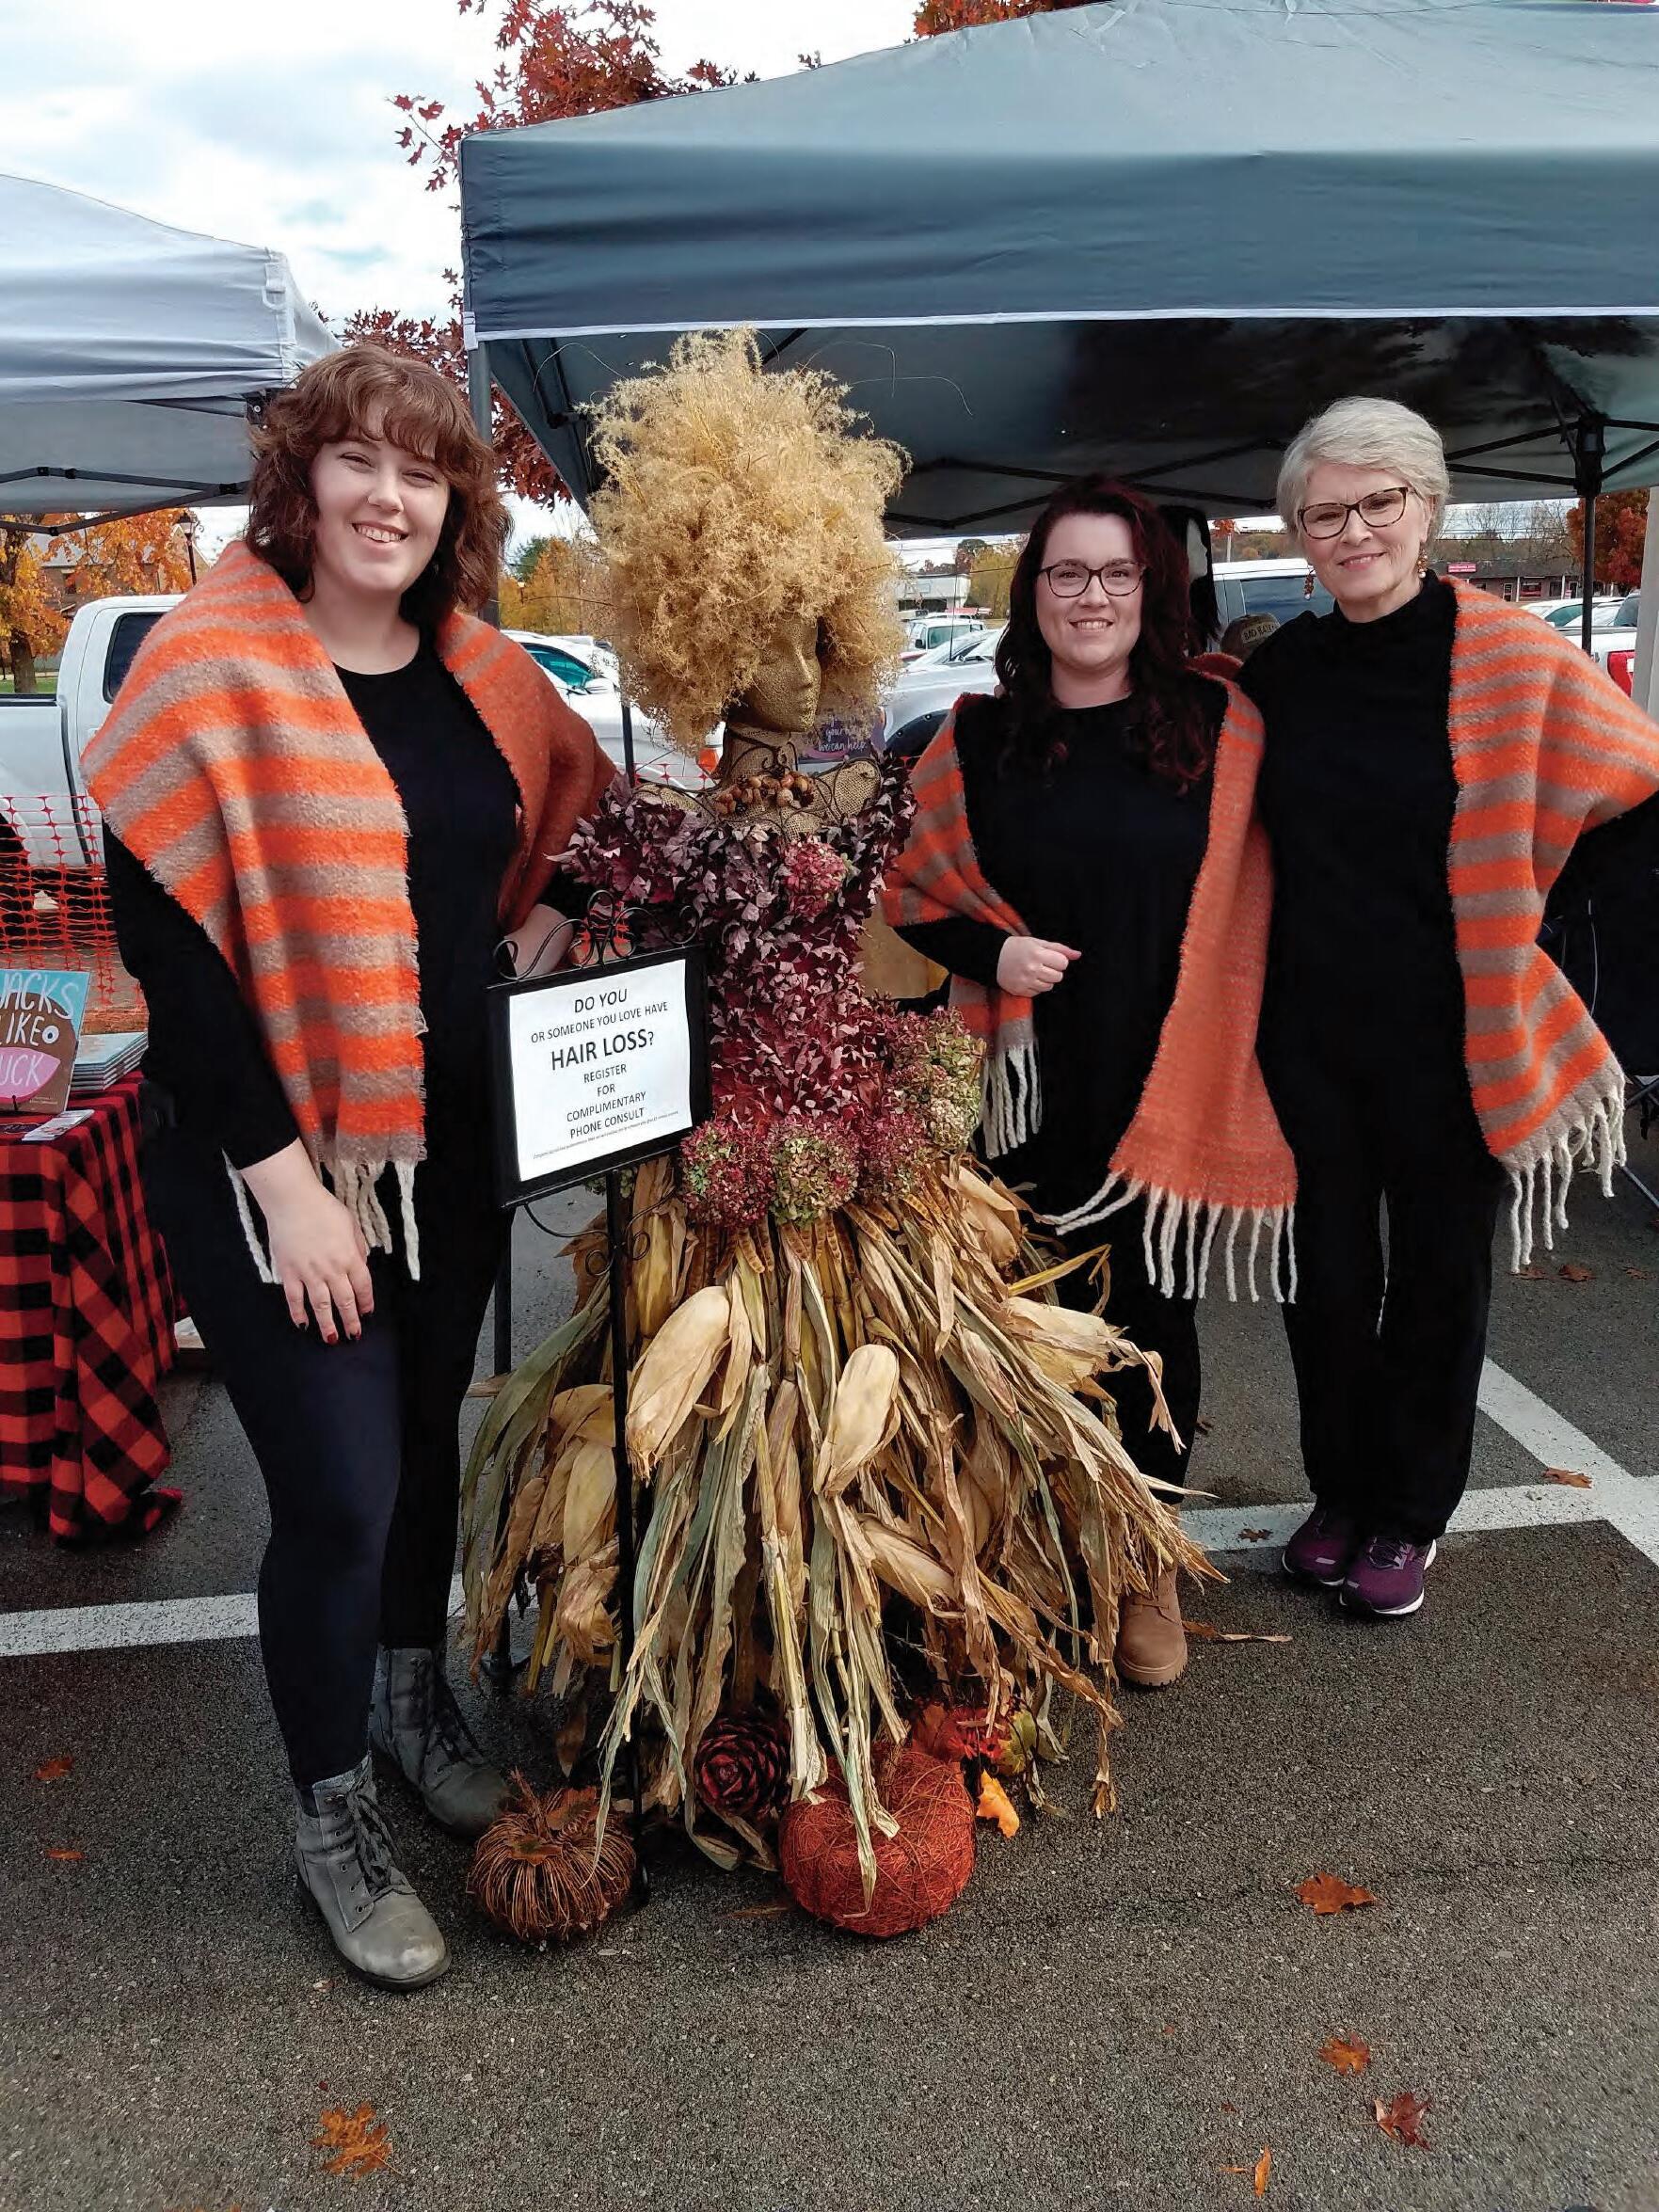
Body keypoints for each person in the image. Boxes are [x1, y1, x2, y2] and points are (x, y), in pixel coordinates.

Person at [87, 344, 613, 1989]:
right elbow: (172, 963)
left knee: (422, 1438)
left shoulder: (481, 667)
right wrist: (287, 1185)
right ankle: (330, 1812)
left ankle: (405, 1701)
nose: (391, 496)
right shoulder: (208, 667)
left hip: (446, 1145)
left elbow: (588, 808)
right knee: (336, 1487)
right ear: (301, 479)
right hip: (270, 1163)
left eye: (424, 470)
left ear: (455, 502)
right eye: (359, 461)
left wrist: (556, 907)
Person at [1243, 396, 1659, 1620]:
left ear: (1426, 510)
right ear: (1300, 532)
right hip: (1307, 1031)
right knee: (1322, 1280)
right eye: (1326, 512)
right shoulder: (1282, 673)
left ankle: (1408, 1515)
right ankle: (1340, 1492)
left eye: (1378, 503)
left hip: (1456, 1035)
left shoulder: (1513, 656)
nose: (1354, 530)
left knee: (1436, 1280)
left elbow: (1634, 787)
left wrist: (1538, 922)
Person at [885, 478, 1295, 1692]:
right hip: (1023, 1088)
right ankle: (1035, 1552)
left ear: (1150, 589)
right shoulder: (974, 738)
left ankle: (1144, 1561)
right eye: (1068, 573)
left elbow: (1303, 860)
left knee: (1151, 1328)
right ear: (1034, 593)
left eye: (1117, 573)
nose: (1092, 596)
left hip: (1170, 1071)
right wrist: (991, 953)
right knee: (1026, 1326)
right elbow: (910, 890)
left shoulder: (1220, 726)